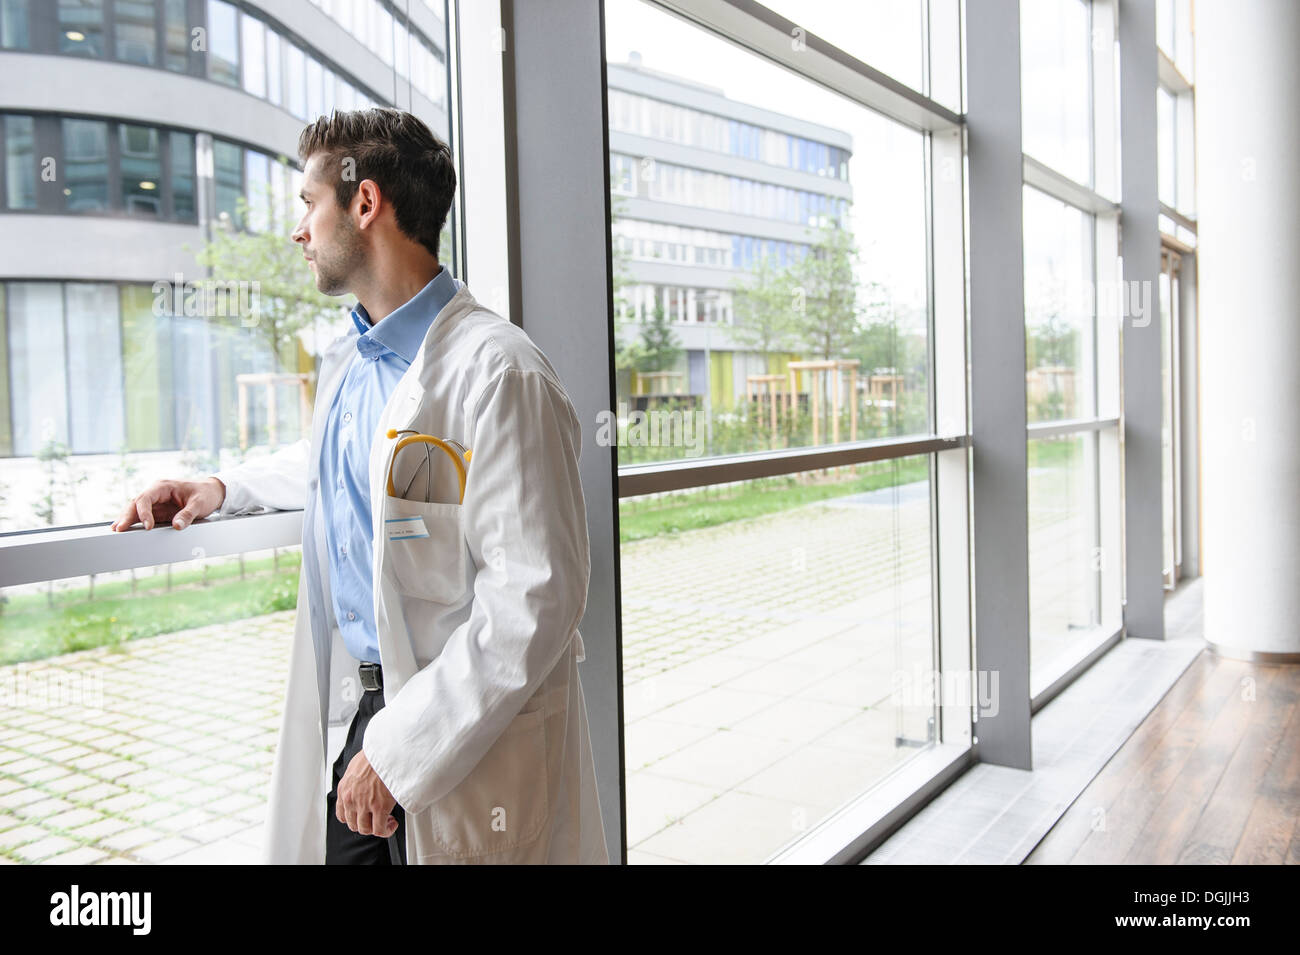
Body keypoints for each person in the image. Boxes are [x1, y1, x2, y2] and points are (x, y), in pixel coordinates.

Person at [112, 107, 608, 865]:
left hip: (457, 719)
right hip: (363, 705)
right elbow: (342, 471)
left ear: (364, 203)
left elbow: (535, 598)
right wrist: (219, 487)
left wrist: (401, 750)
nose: (298, 230)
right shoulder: (351, 361)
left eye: (308, 203)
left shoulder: (499, 372)